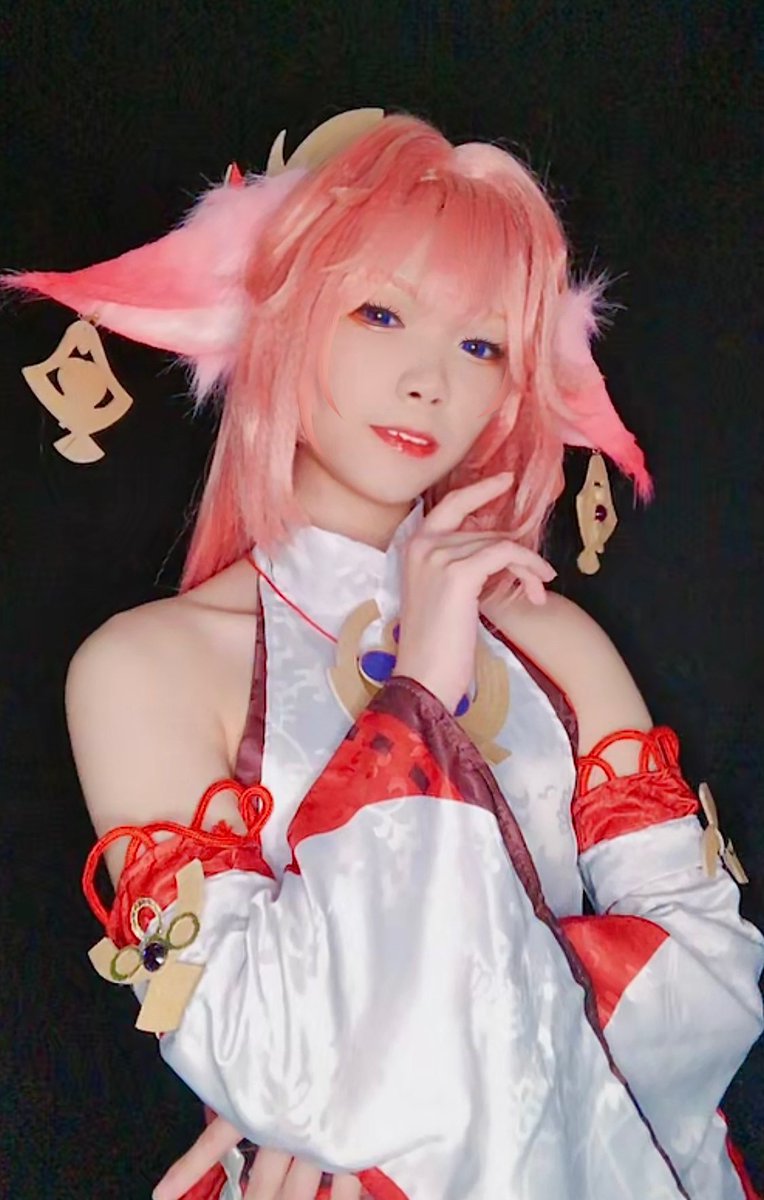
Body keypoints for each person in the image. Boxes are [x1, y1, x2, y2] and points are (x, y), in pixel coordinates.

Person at [8, 110, 763, 1200]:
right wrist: (418, 698)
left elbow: (713, 989)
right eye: (380, 312)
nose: (428, 381)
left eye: (479, 345)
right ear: (284, 312)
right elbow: (273, 1052)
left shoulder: (557, 640)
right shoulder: (145, 670)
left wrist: (372, 1097)